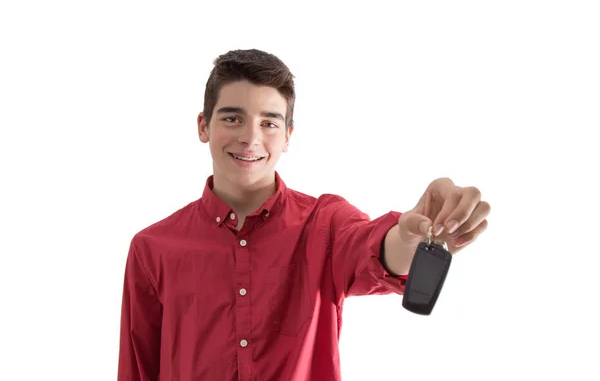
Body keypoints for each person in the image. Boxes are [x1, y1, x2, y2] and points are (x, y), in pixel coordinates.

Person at [117, 48, 491, 380]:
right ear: (203, 126)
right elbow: (137, 369)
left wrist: (409, 237)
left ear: (288, 135)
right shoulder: (152, 248)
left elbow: (373, 248)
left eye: (269, 122)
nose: (250, 138)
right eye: (232, 118)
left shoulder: (324, 223)